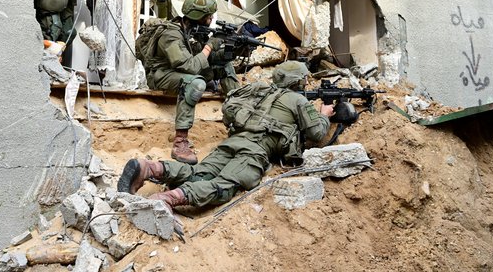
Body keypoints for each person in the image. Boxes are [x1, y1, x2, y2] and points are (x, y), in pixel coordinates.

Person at [117, 60, 335, 209]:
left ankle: (150, 168)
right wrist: (324, 114)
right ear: (296, 82)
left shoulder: (257, 90)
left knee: (199, 172)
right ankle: (169, 198)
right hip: (254, 151)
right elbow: (316, 133)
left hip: (232, 141)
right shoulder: (298, 100)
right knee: (224, 186)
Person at [144, 0, 240, 165]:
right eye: (208, 16)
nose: (211, 18)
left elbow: (205, 58)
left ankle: (239, 117)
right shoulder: (171, 34)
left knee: (224, 65)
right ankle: (180, 142)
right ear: (197, 16)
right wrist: (210, 46)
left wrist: (233, 50)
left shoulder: (191, 30)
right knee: (196, 83)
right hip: (160, 75)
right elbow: (190, 66)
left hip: (180, 71)